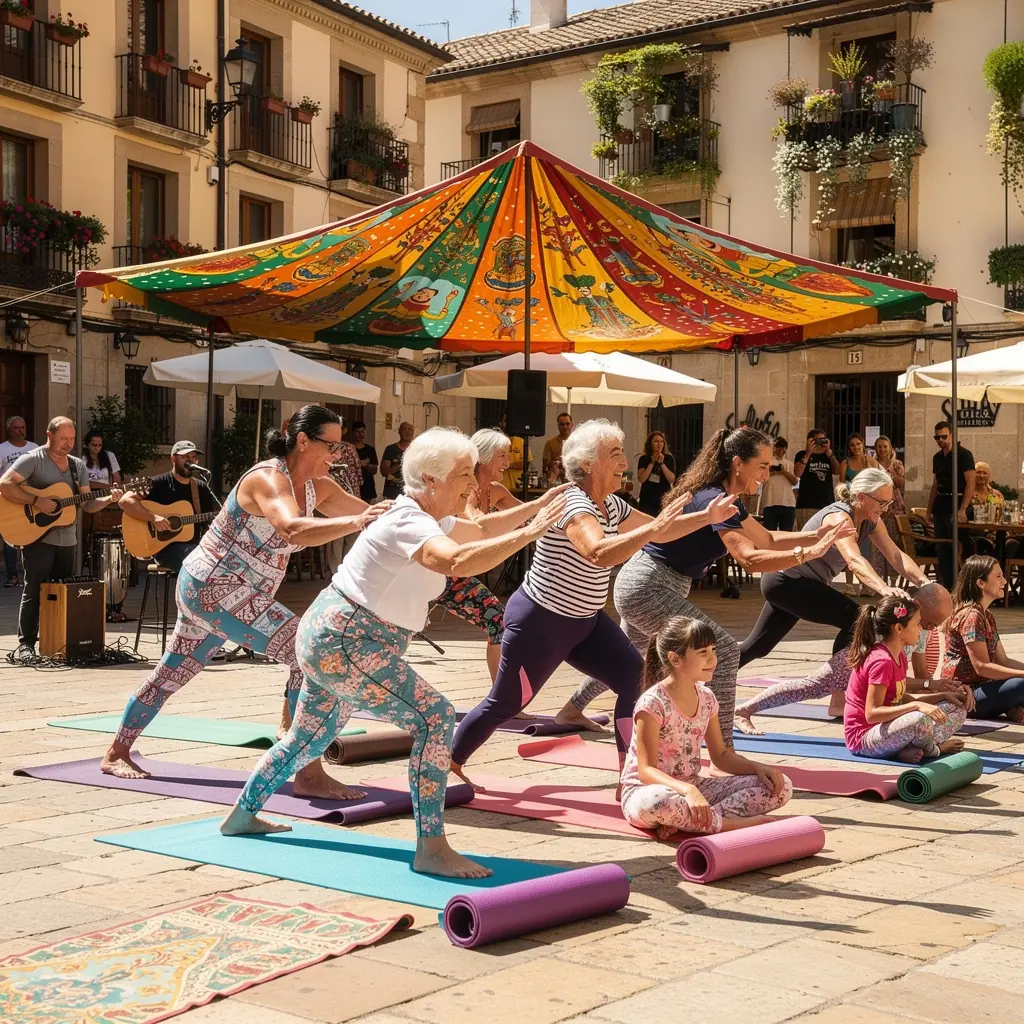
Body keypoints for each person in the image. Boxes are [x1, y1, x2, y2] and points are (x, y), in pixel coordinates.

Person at [221, 427, 565, 879]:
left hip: (333, 634)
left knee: (308, 737)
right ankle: (431, 847)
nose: (472, 482)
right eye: (463, 474)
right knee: (435, 717)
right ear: (430, 479)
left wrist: (538, 508)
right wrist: (533, 532)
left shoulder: (431, 516)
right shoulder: (410, 521)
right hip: (347, 639)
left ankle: (241, 815)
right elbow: (456, 562)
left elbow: (480, 529)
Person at [100, 406, 387, 799]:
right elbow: (293, 528)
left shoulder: (315, 486)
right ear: (302, 440)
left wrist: (425, 518)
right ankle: (306, 770)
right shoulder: (268, 479)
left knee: (174, 671)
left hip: (221, 591)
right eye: (331, 445)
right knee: (305, 651)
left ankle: (116, 752)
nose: (337, 455)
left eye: (340, 446)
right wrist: (361, 522)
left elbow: (370, 515)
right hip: (213, 587)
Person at [451, 418, 742, 780]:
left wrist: (706, 517)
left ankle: (632, 776)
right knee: (508, 703)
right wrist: (653, 528)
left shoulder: (612, 505)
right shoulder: (572, 502)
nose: (624, 462)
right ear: (587, 463)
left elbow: (662, 531)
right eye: (616, 454)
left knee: (635, 682)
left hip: (586, 622)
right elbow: (597, 552)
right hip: (541, 621)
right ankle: (451, 762)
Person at [558, 428, 852, 742]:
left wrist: (823, 534)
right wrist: (807, 553)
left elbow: (767, 538)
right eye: (763, 466)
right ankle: (721, 747)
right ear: (738, 463)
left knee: (634, 656)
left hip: (647, 583)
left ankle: (572, 710)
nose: (768, 474)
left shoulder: (728, 500)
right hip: (648, 586)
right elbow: (749, 558)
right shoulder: (715, 499)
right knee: (724, 651)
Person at [621, 615, 792, 838]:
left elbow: (720, 755)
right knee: (660, 802)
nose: (712, 659)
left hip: (694, 788)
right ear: (675, 659)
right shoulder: (653, 703)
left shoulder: (707, 698)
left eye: (713, 650)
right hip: (646, 793)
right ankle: (730, 824)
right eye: (703, 653)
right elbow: (646, 771)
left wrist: (758, 768)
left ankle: (696, 819)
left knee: (781, 786)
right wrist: (686, 790)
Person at [735, 582, 969, 735]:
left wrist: (936, 686)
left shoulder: (917, 628)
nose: (931, 628)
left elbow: (915, 676)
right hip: (850, 666)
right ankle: (743, 710)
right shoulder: (889, 638)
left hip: (876, 682)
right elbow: (891, 681)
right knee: (808, 687)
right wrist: (927, 690)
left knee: (808, 687)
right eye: (929, 622)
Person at [444, 428, 569, 686]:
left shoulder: (496, 490)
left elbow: (526, 517)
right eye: (502, 455)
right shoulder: (466, 489)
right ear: (485, 457)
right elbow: (479, 525)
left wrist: (568, 528)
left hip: (455, 577)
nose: (508, 462)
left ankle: (501, 696)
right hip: (437, 572)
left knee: (498, 622)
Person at [0, 417, 121, 655]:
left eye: (72, 439)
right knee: (34, 589)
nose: (68, 444)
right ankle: (26, 644)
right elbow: (5, 485)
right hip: (38, 536)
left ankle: (57, 642)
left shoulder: (77, 466)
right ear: (49, 435)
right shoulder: (33, 459)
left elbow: (86, 504)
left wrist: (108, 499)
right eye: (63, 438)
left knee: (62, 592)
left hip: (68, 539)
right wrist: (36, 500)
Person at [844, 595, 966, 762]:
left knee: (956, 707)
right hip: (865, 739)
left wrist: (942, 696)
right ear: (899, 628)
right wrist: (917, 706)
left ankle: (908, 747)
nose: (921, 629)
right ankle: (934, 749)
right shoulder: (882, 661)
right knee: (919, 719)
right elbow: (872, 714)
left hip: (891, 728)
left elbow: (901, 698)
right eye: (917, 624)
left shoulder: (899, 656)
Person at [942, 555, 1024, 722]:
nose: (1005, 581)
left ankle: (1013, 707)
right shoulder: (971, 616)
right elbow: (982, 667)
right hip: (966, 695)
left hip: (985, 687)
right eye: (999, 576)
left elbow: (1004, 661)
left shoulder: (986, 615)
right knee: (1020, 686)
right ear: (981, 583)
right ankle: (1012, 707)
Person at [120, 441, 220, 574]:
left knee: (218, 559)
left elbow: (210, 521)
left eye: (194, 457)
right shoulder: (157, 483)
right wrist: (153, 517)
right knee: (197, 560)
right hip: (164, 549)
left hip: (195, 547)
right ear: (173, 458)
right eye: (185, 457)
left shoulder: (201, 488)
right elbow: (125, 501)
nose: (191, 461)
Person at [927, 420, 975, 589]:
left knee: (959, 546)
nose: (940, 440)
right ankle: (948, 585)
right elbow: (935, 485)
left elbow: (971, 482)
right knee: (942, 547)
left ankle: (964, 585)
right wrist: (928, 510)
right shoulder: (937, 457)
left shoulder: (964, 455)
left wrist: (962, 508)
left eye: (943, 436)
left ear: (952, 435)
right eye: (937, 437)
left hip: (957, 503)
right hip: (940, 504)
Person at [0, 415, 37, 587]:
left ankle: (29, 575)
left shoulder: (34, 448)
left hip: (31, 498)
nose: (20, 431)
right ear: (9, 430)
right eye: (16, 428)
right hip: (9, 499)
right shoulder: (2, 449)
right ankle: (12, 575)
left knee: (32, 536)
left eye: (22, 428)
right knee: (10, 537)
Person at [793, 429, 840, 529]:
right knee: (806, 536)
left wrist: (829, 453)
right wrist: (808, 453)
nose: (820, 442)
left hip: (827, 503)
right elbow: (797, 473)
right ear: (810, 441)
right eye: (817, 440)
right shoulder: (801, 454)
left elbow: (837, 471)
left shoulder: (828, 456)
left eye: (823, 440)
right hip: (806, 504)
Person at [759, 436, 797, 531]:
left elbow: (795, 482)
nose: (781, 450)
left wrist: (784, 472)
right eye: (779, 447)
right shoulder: (766, 463)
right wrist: (770, 472)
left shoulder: (790, 464)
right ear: (773, 448)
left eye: (784, 448)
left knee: (787, 534)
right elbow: (759, 480)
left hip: (788, 504)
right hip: (769, 503)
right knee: (769, 534)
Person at [636, 431, 677, 517]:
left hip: (664, 498)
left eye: (661, 441)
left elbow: (671, 479)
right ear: (650, 443)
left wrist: (662, 464)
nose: (659, 444)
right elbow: (641, 479)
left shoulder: (668, 458)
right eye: (656, 441)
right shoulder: (644, 458)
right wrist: (652, 463)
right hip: (647, 498)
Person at [497, 411, 533, 492]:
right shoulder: (495, 442)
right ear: (500, 423)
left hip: (518, 489)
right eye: (505, 421)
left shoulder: (521, 442)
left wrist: (505, 464)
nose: (509, 424)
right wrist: (514, 464)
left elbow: (524, 464)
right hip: (500, 488)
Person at [381, 421, 414, 499]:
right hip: (393, 492)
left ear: (413, 432)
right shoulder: (390, 449)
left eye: (409, 429)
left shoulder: (417, 449)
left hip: (412, 492)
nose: (407, 431)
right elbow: (383, 472)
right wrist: (398, 466)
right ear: (399, 432)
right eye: (404, 429)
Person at [350, 421, 378, 502]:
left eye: (362, 432)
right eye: (357, 432)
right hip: (351, 485)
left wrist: (367, 465)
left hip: (367, 486)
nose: (360, 434)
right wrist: (358, 463)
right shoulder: (348, 449)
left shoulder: (370, 449)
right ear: (353, 432)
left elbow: (375, 470)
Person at [543, 412, 573, 484]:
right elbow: (545, 466)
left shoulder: (578, 442)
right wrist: (556, 463)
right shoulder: (550, 443)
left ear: (572, 425)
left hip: (573, 481)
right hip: (556, 482)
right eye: (562, 424)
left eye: (567, 424)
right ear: (558, 426)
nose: (565, 427)